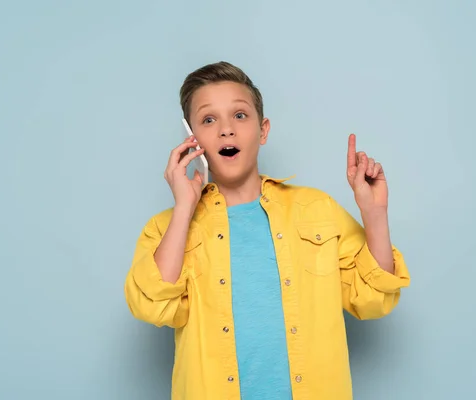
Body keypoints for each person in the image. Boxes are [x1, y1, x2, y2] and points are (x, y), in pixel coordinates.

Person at [124, 61, 411, 400]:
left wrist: (374, 214)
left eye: (240, 115)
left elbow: (374, 299)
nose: (226, 130)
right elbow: (151, 306)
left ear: (263, 130)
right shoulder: (166, 228)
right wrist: (185, 206)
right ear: (193, 139)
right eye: (209, 119)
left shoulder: (316, 209)